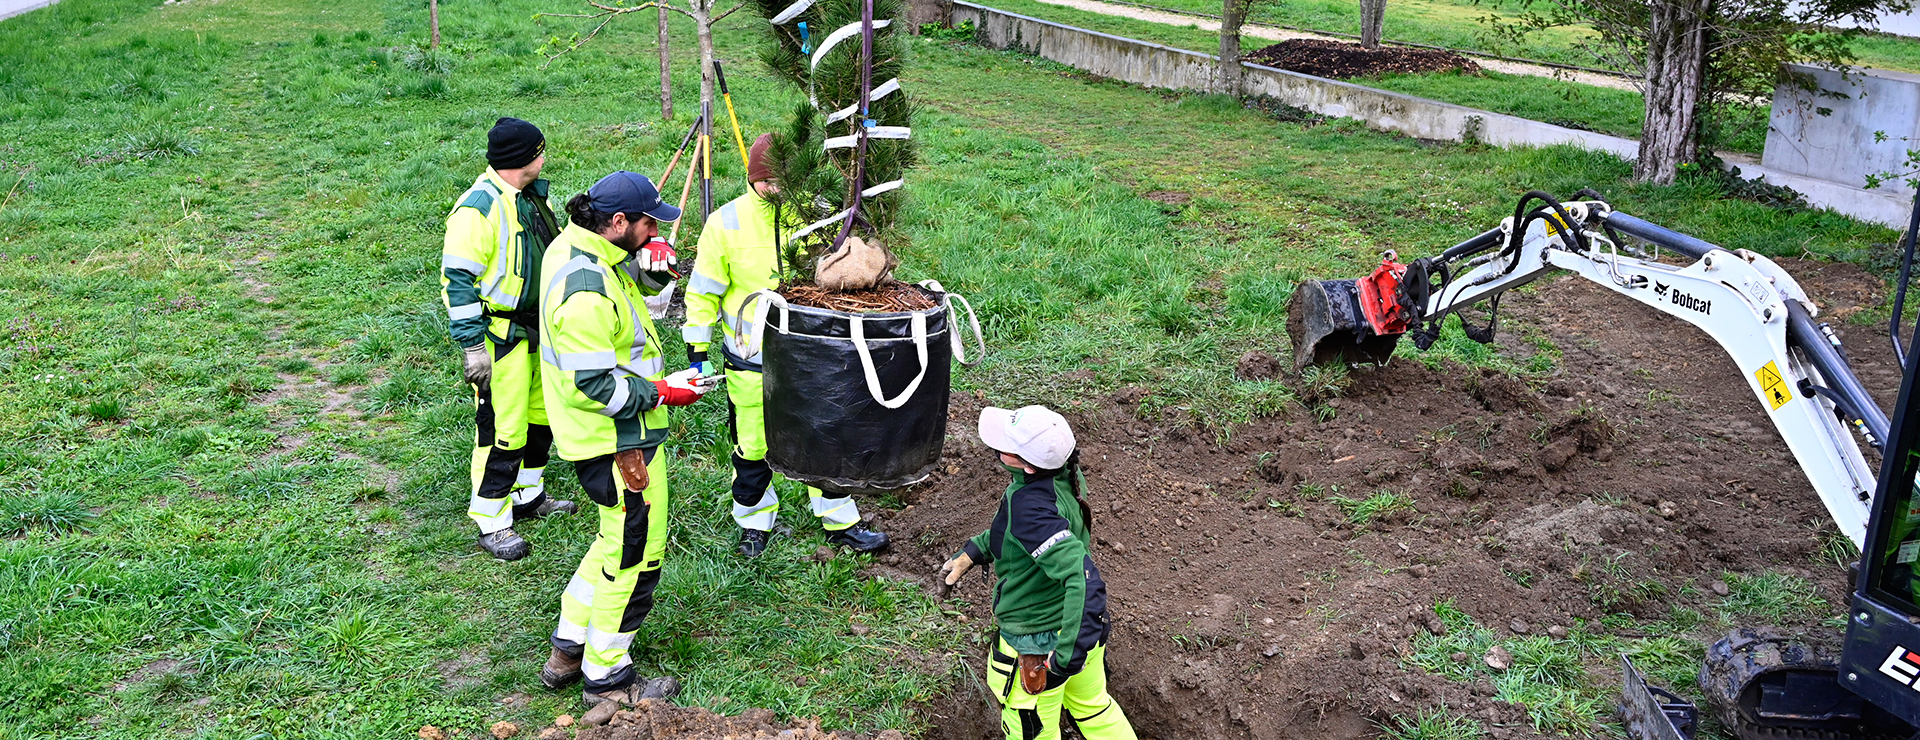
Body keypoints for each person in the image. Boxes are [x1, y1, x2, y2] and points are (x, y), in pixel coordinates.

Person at [534, 171, 716, 706]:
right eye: (646, 222)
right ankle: (608, 677)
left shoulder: (579, 249)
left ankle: (568, 646)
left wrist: (653, 269)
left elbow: (627, 312)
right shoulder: (586, 290)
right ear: (617, 223)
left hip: (610, 436)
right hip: (616, 441)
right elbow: (592, 383)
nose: (654, 227)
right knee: (638, 551)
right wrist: (661, 391)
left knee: (613, 539)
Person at [683, 133, 889, 558]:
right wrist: (697, 352)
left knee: (825, 436)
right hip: (750, 355)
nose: (776, 189)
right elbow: (702, 293)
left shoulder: (816, 216)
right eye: (767, 181)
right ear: (751, 177)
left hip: (812, 353)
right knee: (753, 443)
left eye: (783, 180)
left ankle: (841, 524)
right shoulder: (725, 222)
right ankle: (755, 525)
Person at [940, 406, 1136, 740]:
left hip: (1039, 645)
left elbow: (1082, 577)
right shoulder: (1063, 477)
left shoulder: (1029, 504)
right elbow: (1026, 537)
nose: (997, 448)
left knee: (1033, 729)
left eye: (1006, 445)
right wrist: (976, 551)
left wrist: (1065, 656)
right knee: (1093, 707)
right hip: (1082, 633)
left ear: (1025, 463)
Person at [441, 116, 576, 561]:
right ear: (523, 159)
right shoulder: (479, 208)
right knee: (501, 429)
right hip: (503, 339)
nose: (545, 157)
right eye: (540, 151)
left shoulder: (528, 198)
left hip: (540, 330)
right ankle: (492, 521)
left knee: (540, 419)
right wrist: (473, 347)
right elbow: (457, 280)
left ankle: (528, 497)